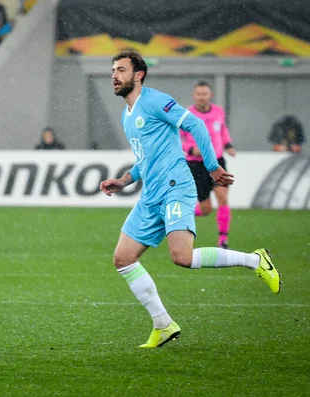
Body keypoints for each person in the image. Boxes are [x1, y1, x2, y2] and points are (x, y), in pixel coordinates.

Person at [100, 51, 281, 348]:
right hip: (151, 194)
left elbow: (195, 125)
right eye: (112, 71)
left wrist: (212, 167)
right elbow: (144, 160)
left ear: (139, 75)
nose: (114, 76)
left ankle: (254, 260)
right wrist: (124, 180)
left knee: (182, 257)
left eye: (121, 70)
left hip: (175, 186)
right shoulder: (127, 115)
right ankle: (162, 324)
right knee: (123, 258)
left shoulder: (156, 101)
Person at [180, 81, 236, 249]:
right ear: (194, 96)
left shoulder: (218, 111)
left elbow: (222, 130)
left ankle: (223, 240)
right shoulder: (186, 115)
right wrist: (190, 149)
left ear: (209, 95)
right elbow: (177, 139)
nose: (201, 97)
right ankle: (178, 217)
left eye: (204, 94)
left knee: (223, 198)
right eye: (198, 94)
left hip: (217, 162)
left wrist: (228, 145)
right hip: (197, 166)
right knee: (205, 210)